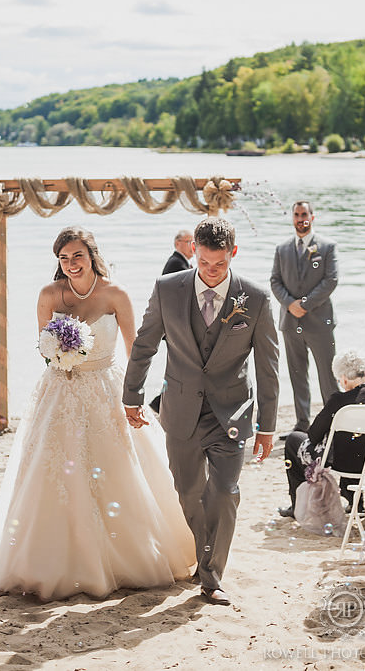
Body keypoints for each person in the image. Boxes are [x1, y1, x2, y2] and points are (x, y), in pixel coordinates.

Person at [0, 227, 195, 600]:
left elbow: (136, 351)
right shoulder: (49, 295)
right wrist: (60, 352)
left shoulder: (116, 294)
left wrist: (136, 398)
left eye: (76, 256)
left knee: (118, 469)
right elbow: (43, 347)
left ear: (92, 255)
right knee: (54, 473)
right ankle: (52, 561)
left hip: (105, 388)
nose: (70, 265)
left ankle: (126, 557)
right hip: (59, 390)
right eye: (63, 258)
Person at [123, 217, 280, 606]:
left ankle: (211, 577)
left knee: (225, 492)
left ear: (233, 254)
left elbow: (268, 366)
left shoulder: (256, 299)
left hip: (233, 412)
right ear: (193, 250)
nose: (212, 272)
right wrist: (132, 396)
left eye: (220, 264)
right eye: (205, 262)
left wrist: (267, 426)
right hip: (180, 410)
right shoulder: (167, 289)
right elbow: (145, 345)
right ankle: (203, 552)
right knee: (188, 492)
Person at [280, 350, 365, 519]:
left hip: (344, 464)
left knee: (293, 439)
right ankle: (355, 503)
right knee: (360, 443)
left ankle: (297, 506)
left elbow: (313, 435)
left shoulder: (339, 401)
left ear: (344, 378)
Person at [270, 200, 340, 433]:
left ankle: (333, 423)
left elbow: (331, 280)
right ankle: (302, 424)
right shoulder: (282, 249)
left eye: (304, 214)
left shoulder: (328, 247)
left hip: (320, 323)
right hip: (291, 323)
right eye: (297, 215)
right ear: (293, 218)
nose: (301, 219)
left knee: (327, 375)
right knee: (297, 375)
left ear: (312, 216)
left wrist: (306, 304)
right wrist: (290, 304)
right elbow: (275, 281)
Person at [149, 230, 196, 413]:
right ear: (177, 244)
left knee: (181, 370)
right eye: (188, 241)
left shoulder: (181, 262)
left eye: (194, 242)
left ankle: (160, 402)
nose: (193, 246)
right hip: (176, 328)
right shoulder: (176, 263)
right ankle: (159, 403)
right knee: (181, 370)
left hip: (175, 327)